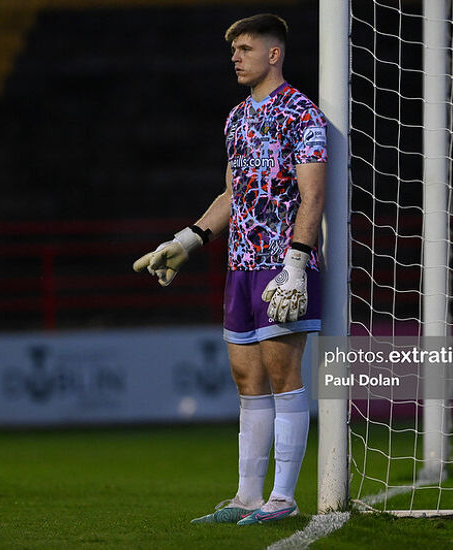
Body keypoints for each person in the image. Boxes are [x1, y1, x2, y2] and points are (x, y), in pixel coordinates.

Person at [133, 13, 326, 525]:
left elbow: (313, 196)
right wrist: (186, 239)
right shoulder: (237, 117)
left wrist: (297, 266)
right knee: (247, 378)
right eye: (233, 50)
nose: (235, 57)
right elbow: (231, 195)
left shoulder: (300, 113)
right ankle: (246, 496)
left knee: (284, 374)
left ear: (274, 53)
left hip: (281, 264)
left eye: (244, 48)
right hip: (240, 262)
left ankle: (283, 498)